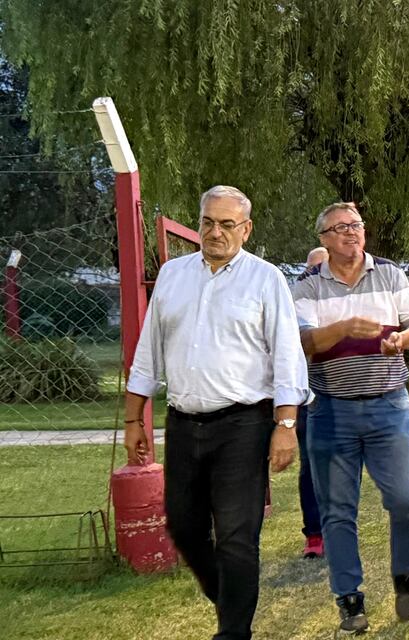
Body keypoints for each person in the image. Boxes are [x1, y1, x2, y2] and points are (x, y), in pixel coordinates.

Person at [123, 185, 309, 640]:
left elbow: (287, 355)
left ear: (245, 229)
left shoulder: (266, 280)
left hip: (243, 424)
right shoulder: (173, 274)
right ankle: (230, 601)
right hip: (184, 424)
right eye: (208, 222)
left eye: (227, 224)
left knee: (235, 536)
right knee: (184, 528)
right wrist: (134, 418)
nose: (215, 232)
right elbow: (149, 349)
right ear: (199, 223)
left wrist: (285, 425)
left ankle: (233, 632)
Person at [292, 202, 409, 635]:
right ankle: (349, 599)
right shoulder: (307, 284)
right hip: (330, 409)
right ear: (324, 239)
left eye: (357, 225)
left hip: (389, 404)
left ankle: (405, 578)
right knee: (337, 511)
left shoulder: (389, 273)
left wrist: (403, 339)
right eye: (341, 227)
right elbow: (303, 342)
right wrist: (346, 327)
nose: (352, 233)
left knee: (408, 499)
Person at [297, 247, 328, 558]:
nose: (316, 276)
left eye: (321, 270)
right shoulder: (297, 303)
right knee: (310, 466)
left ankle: (340, 527)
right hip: (308, 398)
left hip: (342, 396)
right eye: (310, 271)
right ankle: (315, 534)